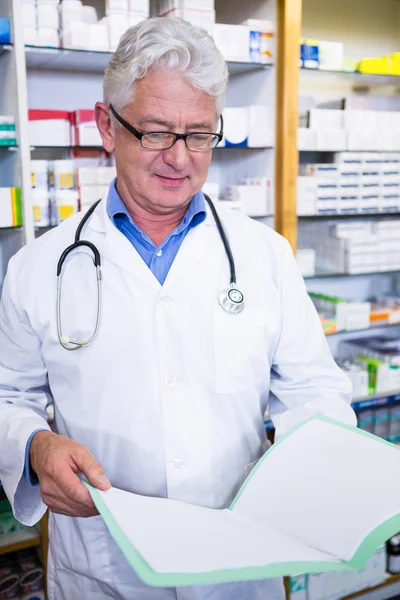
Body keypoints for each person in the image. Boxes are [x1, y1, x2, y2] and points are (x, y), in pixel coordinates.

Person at [0, 17, 356, 600]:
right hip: (106, 570)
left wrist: (309, 461)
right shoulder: (37, 268)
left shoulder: (263, 255)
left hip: (240, 561)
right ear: (106, 127)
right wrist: (36, 447)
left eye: (198, 135)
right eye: (157, 132)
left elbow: (316, 392)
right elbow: (8, 398)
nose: (180, 158)